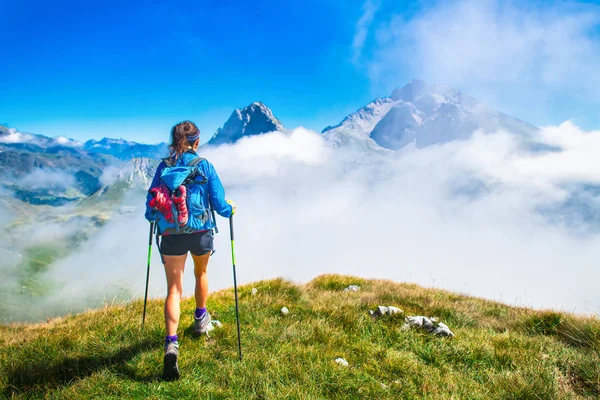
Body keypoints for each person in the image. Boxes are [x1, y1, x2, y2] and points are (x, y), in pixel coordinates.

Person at [145, 120, 235, 381]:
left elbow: (150, 207)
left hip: (171, 234)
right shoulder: (205, 166)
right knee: (201, 274)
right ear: (197, 142)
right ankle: (200, 319)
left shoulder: (165, 167)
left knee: (174, 289)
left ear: (174, 142)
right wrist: (232, 210)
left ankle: (171, 344)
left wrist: (152, 216)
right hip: (200, 233)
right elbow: (219, 204)